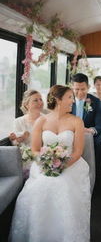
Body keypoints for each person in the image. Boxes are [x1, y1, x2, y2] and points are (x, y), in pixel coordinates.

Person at [9, 85, 91, 242]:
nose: (73, 101)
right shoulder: (42, 121)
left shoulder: (77, 121)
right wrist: (46, 164)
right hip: (44, 165)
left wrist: (61, 166)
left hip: (72, 164)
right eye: (69, 97)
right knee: (40, 186)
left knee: (63, 185)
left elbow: (78, 151)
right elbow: (34, 149)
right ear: (58, 100)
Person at [71, 73, 101, 187]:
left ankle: (97, 178)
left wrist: (90, 130)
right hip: (70, 132)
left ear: (88, 87)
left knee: (100, 143)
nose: (80, 93)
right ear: (72, 87)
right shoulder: (67, 99)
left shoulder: (96, 102)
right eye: (77, 89)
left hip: (89, 133)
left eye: (83, 89)